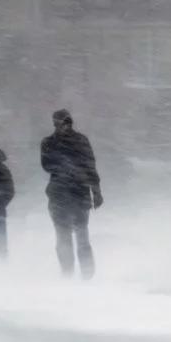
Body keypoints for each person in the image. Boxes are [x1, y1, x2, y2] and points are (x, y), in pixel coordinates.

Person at [41, 109, 103, 279]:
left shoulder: (69, 141)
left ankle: (85, 275)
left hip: (72, 194)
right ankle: (70, 274)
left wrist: (96, 191)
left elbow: (90, 166)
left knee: (77, 236)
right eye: (58, 123)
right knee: (65, 237)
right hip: (66, 195)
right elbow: (46, 165)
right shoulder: (51, 142)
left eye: (63, 122)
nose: (61, 126)